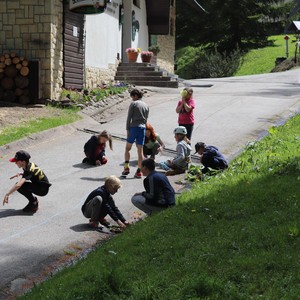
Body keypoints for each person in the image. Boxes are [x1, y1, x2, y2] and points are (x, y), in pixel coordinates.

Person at [122, 88, 149, 178]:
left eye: (132, 97)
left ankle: (126, 167)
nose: (132, 99)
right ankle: (138, 171)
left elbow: (129, 117)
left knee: (127, 148)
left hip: (134, 127)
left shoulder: (133, 104)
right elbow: (146, 119)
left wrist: (127, 130)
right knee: (140, 151)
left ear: (136, 96)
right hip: (143, 128)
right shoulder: (146, 105)